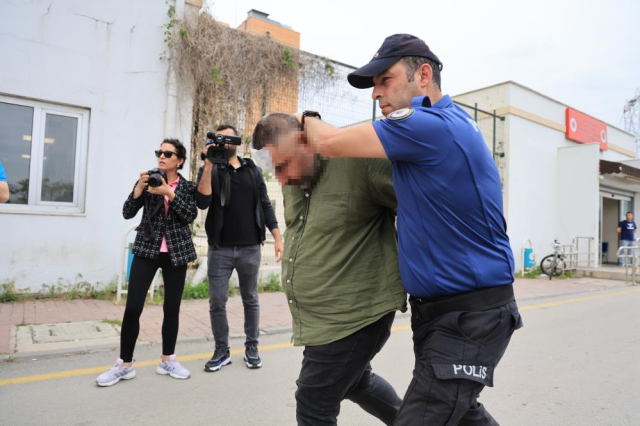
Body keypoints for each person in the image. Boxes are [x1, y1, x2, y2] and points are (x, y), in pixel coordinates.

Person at [294, 34, 523, 425]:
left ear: (423, 74)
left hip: (469, 314)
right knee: (462, 413)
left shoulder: (428, 124)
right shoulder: (433, 135)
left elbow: (329, 143)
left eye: (385, 80)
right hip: (442, 313)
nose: (375, 94)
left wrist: (307, 121)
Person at [252, 113, 407, 426]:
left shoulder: (358, 159)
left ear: (305, 140)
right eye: (275, 171)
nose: (282, 179)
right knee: (357, 383)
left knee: (313, 404)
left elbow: (419, 207)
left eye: (284, 166)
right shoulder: (294, 177)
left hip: (356, 313)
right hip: (318, 320)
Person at [96, 139, 197, 387]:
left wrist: (169, 194)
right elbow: (127, 212)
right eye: (159, 152)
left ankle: (167, 359)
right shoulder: (148, 180)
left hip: (176, 253)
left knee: (171, 308)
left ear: (179, 160)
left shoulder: (187, 187)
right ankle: (125, 364)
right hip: (146, 250)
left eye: (167, 153)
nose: (161, 156)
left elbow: (191, 215)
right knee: (133, 308)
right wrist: (138, 191)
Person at [195, 124, 283, 372]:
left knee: (250, 300)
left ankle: (252, 347)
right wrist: (209, 165)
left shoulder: (252, 170)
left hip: (250, 248)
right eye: (220, 138)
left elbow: (265, 204)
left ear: (237, 142)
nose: (225, 142)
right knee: (217, 301)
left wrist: (277, 236)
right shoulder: (209, 169)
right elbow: (202, 202)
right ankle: (222, 351)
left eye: (229, 137)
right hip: (220, 248)